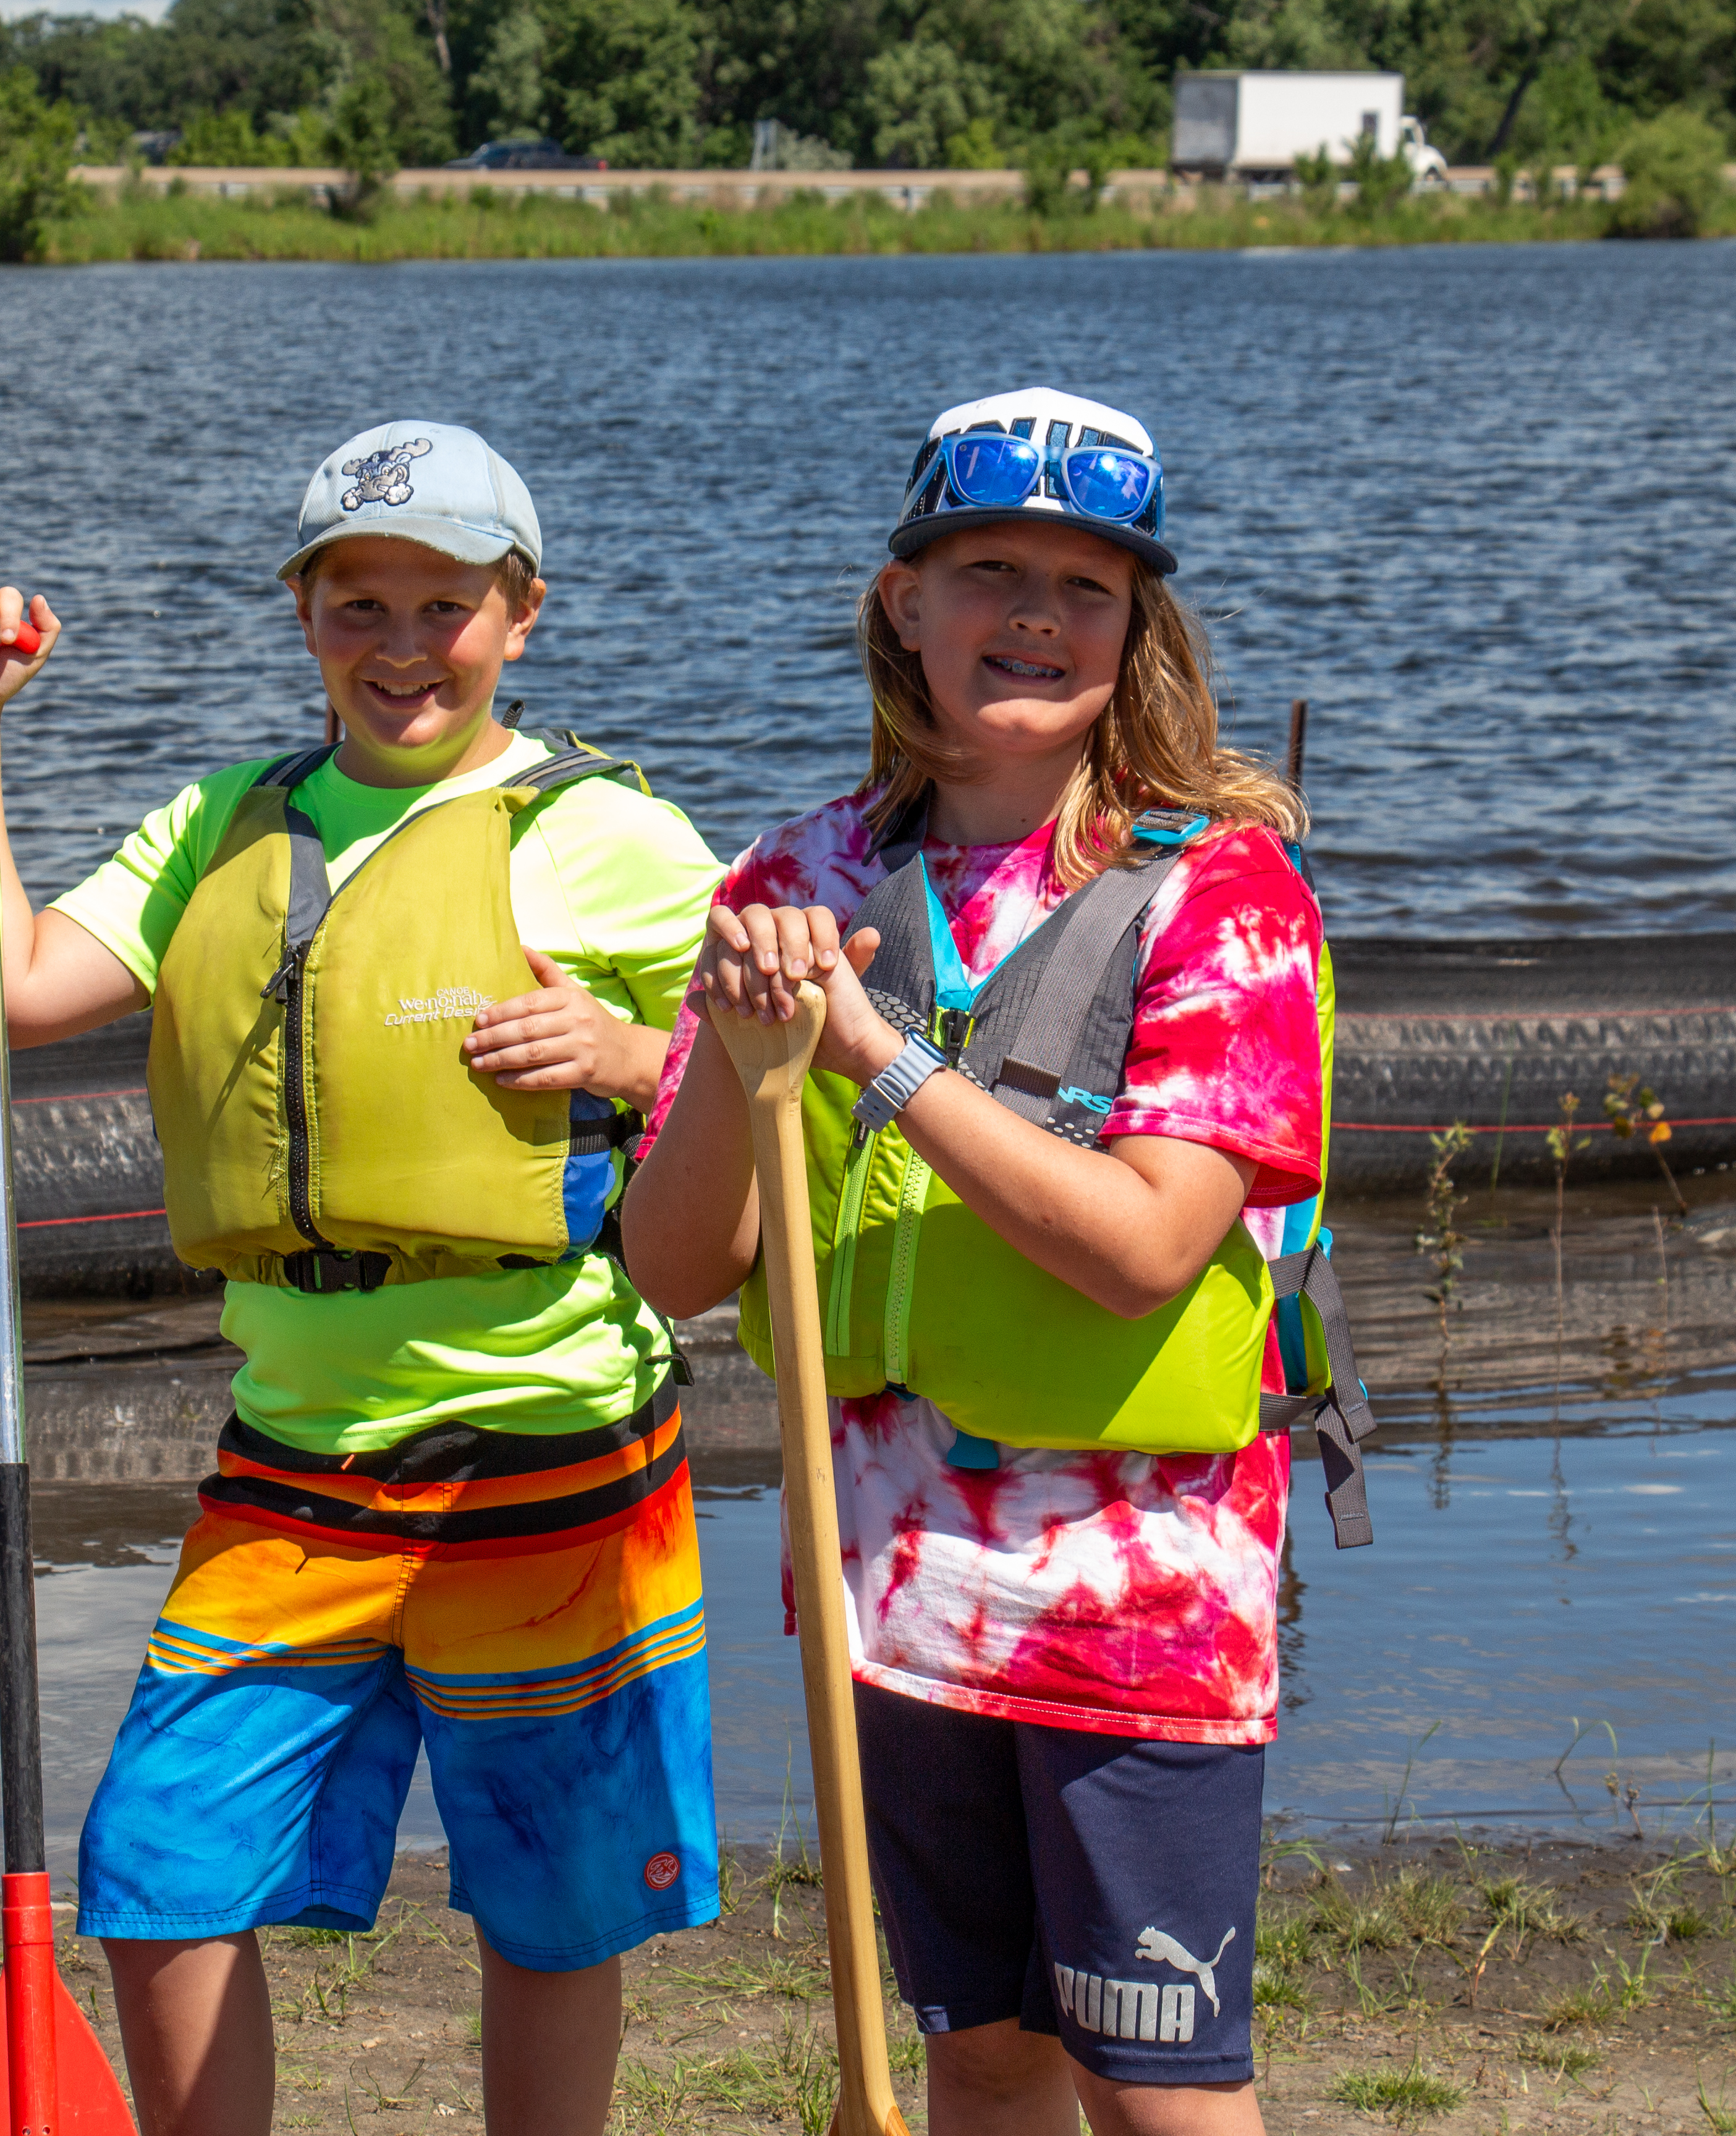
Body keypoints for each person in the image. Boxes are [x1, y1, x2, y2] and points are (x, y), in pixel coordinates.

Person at [0, 420, 726, 2136]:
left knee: (552, 1907)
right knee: (159, 1870)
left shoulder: (616, 837)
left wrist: (638, 1050)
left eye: (446, 603)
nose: (404, 644)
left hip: (553, 1445)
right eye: (361, 603)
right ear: (303, 616)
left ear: (521, 613)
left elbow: (790, 1059)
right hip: (298, 1454)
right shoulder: (224, 824)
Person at [624, 388, 1342, 2136]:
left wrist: (874, 1054)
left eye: (1083, 587)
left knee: (1160, 2086)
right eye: (987, 571)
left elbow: (1148, 1247)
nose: (1032, 614)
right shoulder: (795, 876)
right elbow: (671, 1265)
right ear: (903, 602)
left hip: (1140, 1603)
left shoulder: (1223, 893)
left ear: (1137, 626)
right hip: (890, 1595)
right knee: (984, 2064)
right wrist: (738, 1039)